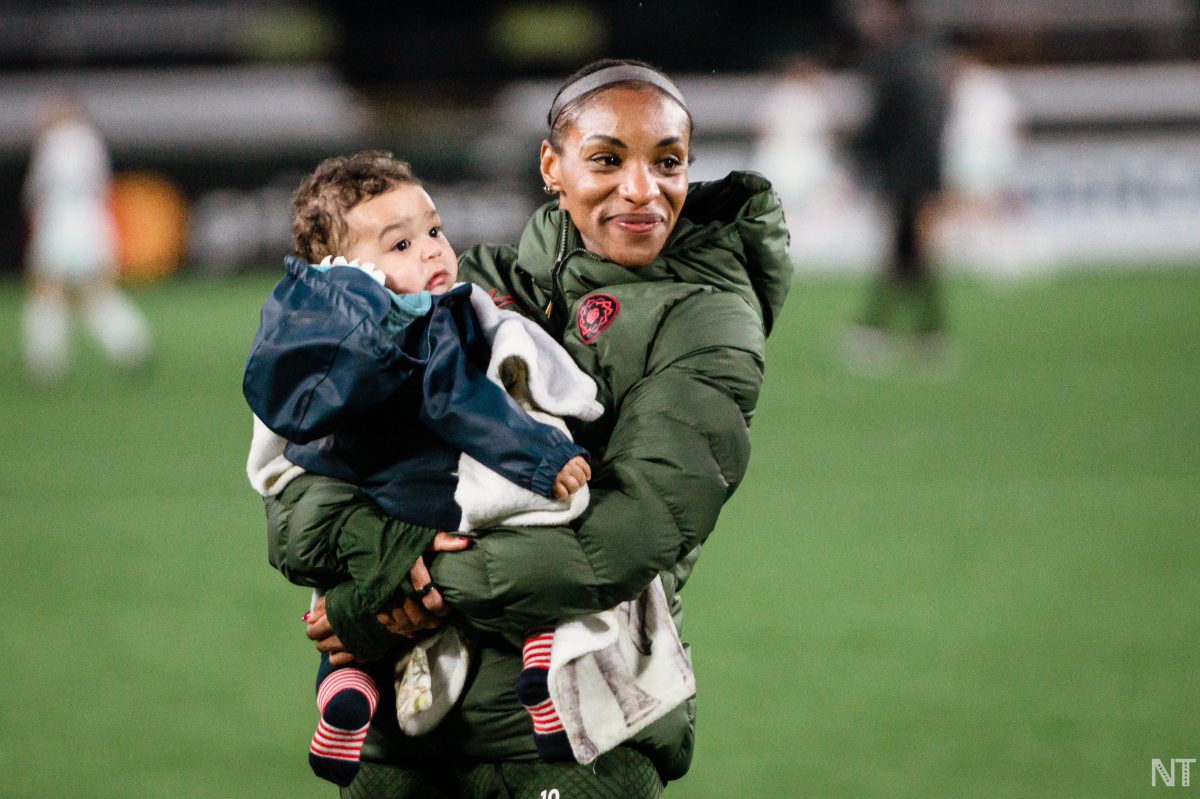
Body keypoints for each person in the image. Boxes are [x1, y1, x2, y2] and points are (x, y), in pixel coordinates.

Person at [255, 58, 792, 798]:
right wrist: (379, 553)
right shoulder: (473, 285)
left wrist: (386, 597)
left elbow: (629, 532)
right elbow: (306, 486)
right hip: (406, 736)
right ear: (553, 165)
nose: (642, 188)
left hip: (576, 737)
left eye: (668, 162)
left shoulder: (708, 321)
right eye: (608, 159)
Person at [243, 152, 596, 785]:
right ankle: (543, 661)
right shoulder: (418, 323)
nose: (433, 251)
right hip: (432, 492)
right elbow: (462, 402)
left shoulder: (303, 331)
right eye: (402, 244)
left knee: (341, 604)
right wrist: (545, 459)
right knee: (546, 537)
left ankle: (343, 693)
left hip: (352, 500)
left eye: (434, 231)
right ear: (347, 267)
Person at [846, 0, 952, 364]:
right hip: (925, 171)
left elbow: (880, 125)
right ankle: (925, 332)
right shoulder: (927, 58)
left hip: (904, 175)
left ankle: (885, 329)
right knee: (911, 252)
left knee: (903, 251)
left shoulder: (889, 62)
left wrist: (857, 157)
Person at [21, 94, 153, 383]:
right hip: (91, 222)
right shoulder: (90, 139)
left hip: (61, 223)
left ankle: (45, 361)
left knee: (48, 291)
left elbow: (38, 188)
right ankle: (132, 344)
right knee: (94, 292)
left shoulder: (56, 140)